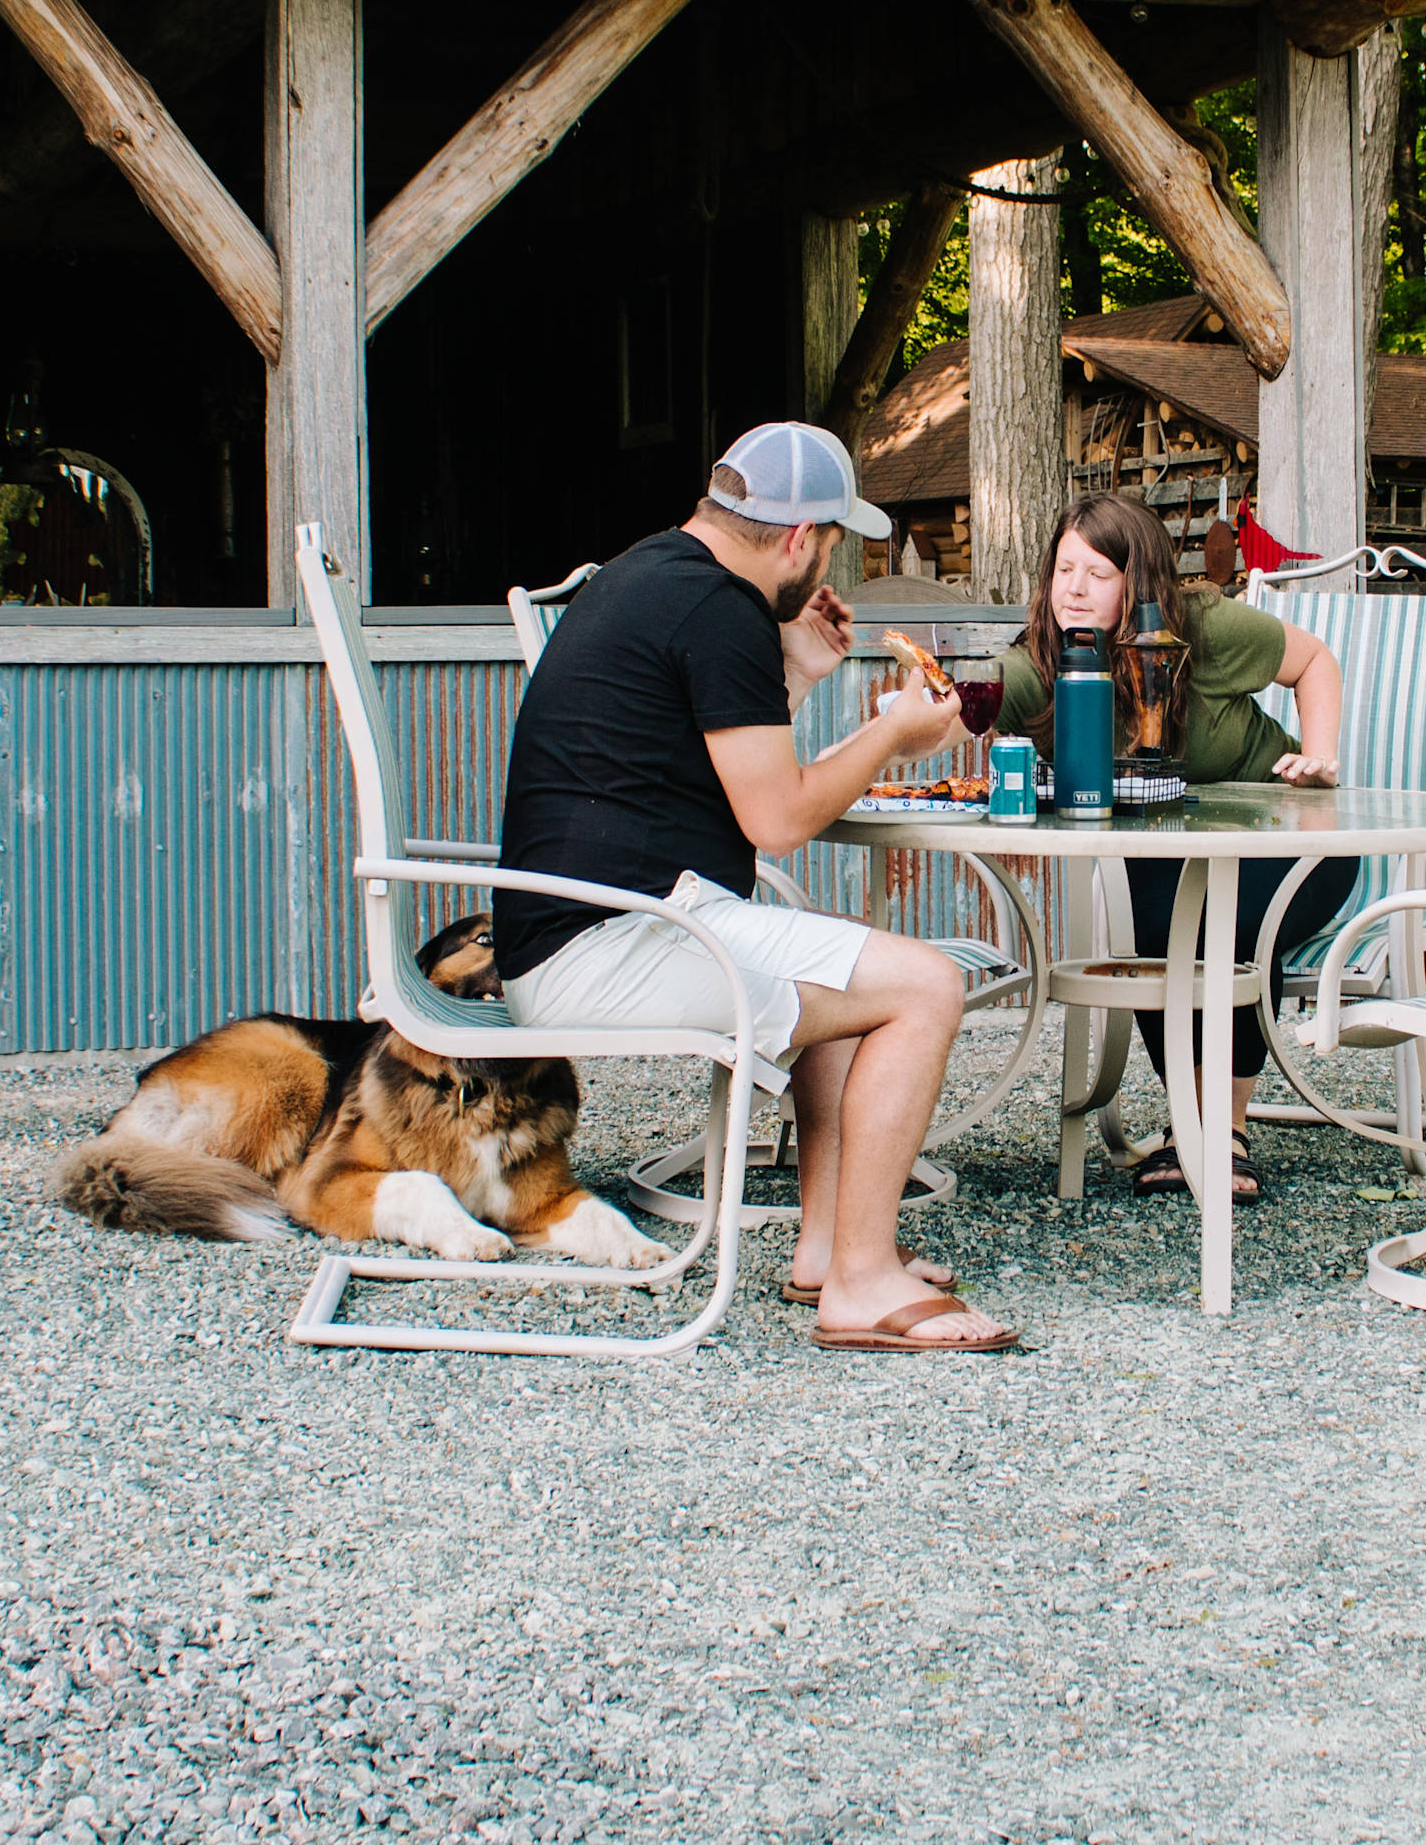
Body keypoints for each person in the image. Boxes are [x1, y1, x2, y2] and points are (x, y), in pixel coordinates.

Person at [493, 422, 1015, 1352]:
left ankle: (827, 1247)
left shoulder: (656, 575)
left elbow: (716, 784)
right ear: (799, 537)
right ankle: (861, 1283)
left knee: (850, 983)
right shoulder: (721, 610)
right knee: (926, 984)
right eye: (831, 545)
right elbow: (777, 822)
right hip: (617, 945)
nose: (826, 571)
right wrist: (893, 732)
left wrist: (801, 673)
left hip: (602, 927)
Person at [990, 494, 1346, 1201]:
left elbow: (1314, 662)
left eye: (1097, 572)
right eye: (1064, 569)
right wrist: (924, 710)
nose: (1075, 588)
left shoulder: (1205, 628)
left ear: (1140, 581)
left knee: (1227, 928)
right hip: (1167, 854)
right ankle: (1194, 1127)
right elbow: (969, 703)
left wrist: (1321, 754)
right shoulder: (1043, 663)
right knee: (1154, 923)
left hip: (1291, 839)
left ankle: (1220, 1130)